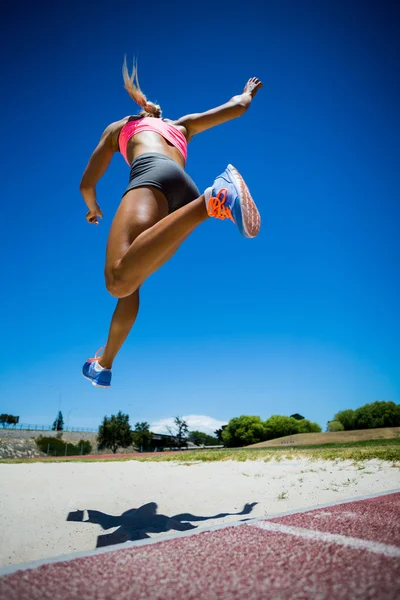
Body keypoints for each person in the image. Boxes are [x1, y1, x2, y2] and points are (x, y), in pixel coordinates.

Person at [81, 59, 263, 388]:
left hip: (151, 175)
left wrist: (93, 208)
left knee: (117, 281)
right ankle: (104, 365)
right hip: (181, 188)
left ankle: (212, 200)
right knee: (131, 282)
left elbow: (87, 184)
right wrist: (247, 93)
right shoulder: (181, 127)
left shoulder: (120, 127)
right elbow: (237, 108)